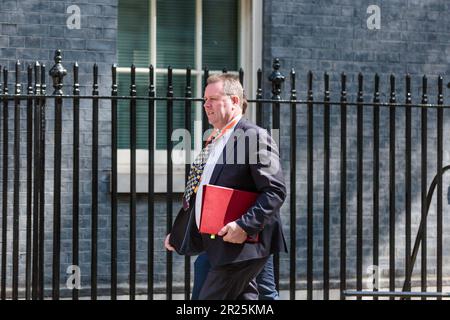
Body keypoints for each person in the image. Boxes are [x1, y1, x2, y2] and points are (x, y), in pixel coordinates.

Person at [165, 73, 287, 300]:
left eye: (213, 98)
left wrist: (244, 225)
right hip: (218, 243)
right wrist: (179, 233)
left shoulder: (254, 136)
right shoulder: (215, 140)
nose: (206, 105)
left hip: (243, 246)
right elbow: (201, 192)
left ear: (234, 101)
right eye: (204, 99)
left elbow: (275, 190)